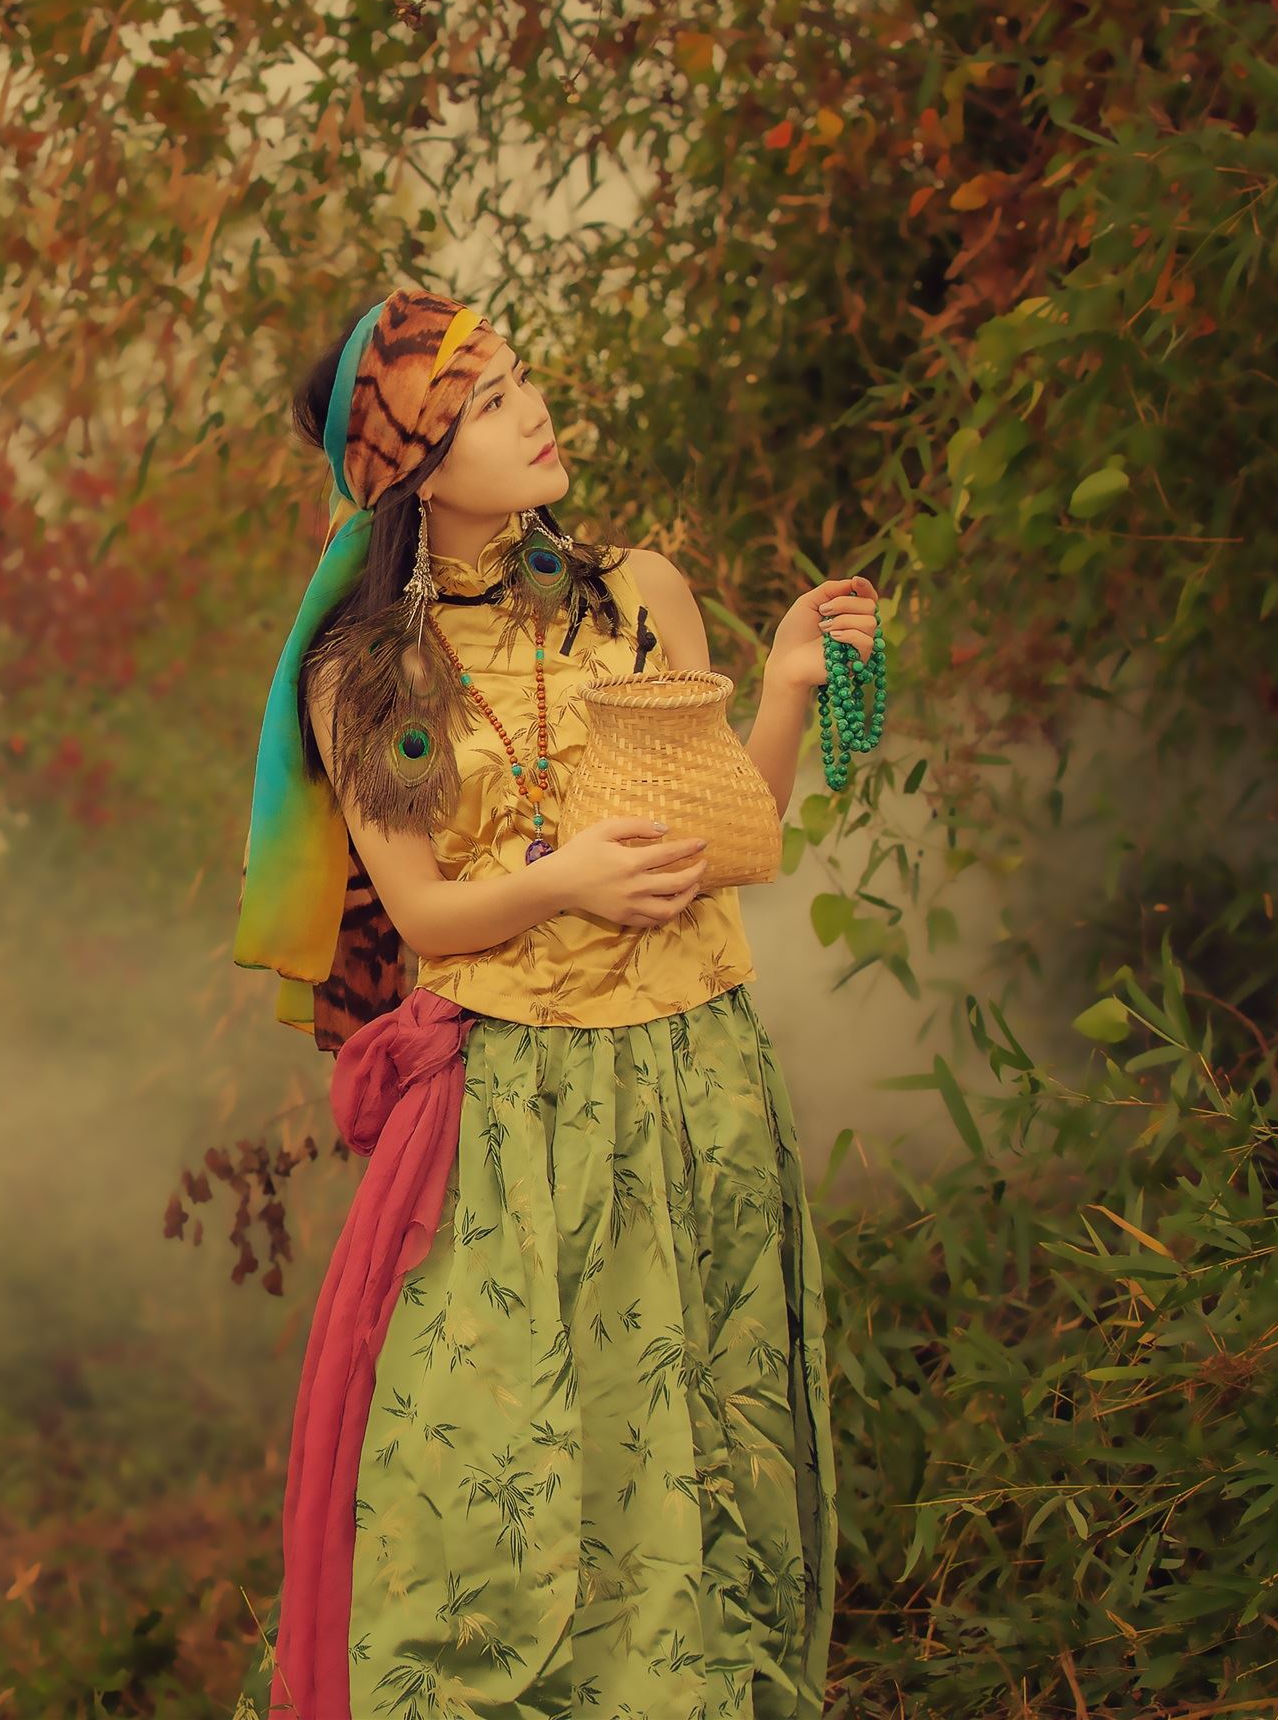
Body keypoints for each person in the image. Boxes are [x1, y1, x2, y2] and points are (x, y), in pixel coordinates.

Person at [228, 287, 878, 1719]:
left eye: (520, 379)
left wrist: (780, 691)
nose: (532, 410)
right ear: (410, 465)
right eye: (486, 402)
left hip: (694, 1074)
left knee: (690, 1447)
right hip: (517, 1107)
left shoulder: (637, 593)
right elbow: (430, 919)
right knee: (491, 1472)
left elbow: (730, 837)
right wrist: (570, 877)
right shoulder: (368, 668)